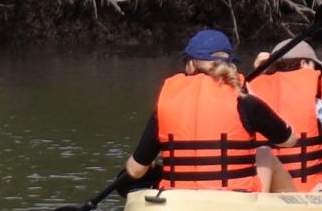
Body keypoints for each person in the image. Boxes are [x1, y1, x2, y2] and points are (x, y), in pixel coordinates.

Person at [125, 30, 295, 194]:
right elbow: (289, 140)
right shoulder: (244, 100)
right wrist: (255, 97)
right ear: (231, 66)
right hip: (233, 203)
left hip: (178, 202)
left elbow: (135, 170)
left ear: (190, 64)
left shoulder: (167, 102)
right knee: (264, 153)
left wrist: (153, 167)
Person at [249, 38, 322, 192]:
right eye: (315, 66)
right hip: (311, 189)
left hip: (267, 189)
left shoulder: (249, 99)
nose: (317, 72)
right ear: (303, 63)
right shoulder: (317, 105)